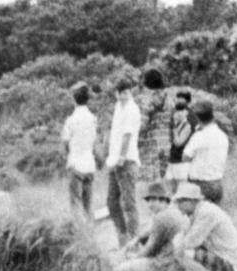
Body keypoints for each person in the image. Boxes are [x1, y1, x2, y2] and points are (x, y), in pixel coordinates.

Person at [110, 180, 188, 271]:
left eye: (154, 200)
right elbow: (150, 230)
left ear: (163, 200)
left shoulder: (161, 218)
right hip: (177, 264)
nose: (150, 204)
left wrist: (131, 257)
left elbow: (150, 250)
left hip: (164, 265)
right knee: (136, 268)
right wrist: (136, 240)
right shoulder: (173, 212)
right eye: (149, 200)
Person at [172, 182, 237, 271]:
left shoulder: (206, 212)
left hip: (228, 262)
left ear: (191, 201)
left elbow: (190, 242)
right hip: (220, 255)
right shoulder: (198, 211)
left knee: (181, 253)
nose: (178, 206)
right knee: (179, 252)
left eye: (181, 202)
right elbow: (184, 234)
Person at [105, 77, 142, 246]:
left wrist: (121, 156)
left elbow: (127, 135)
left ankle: (134, 240)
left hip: (126, 161)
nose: (126, 95)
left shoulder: (131, 109)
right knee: (112, 202)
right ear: (117, 94)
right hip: (114, 162)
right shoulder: (118, 107)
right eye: (122, 93)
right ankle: (123, 237)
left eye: (128, 92)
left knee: (129, 203)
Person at [59, 81, 97, 221]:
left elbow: (64, 147)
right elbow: (94, 143)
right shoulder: (93, 119)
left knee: (75, 203)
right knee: (88, 204)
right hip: (89, 166)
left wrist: (66, 160)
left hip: (75, 165)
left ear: (74, 99)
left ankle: (80, 234)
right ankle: (91, 231)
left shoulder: (71, 120)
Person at [182, 100, 229, 205]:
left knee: (197, 217)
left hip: (200, 184)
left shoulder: (199, 136)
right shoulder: (223, 136)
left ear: (198, 119)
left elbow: (185, 157)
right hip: (217, 183)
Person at [137, 67, 170, 181]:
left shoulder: (146, 101)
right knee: (163, 185)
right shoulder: (169, 100)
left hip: (151, 147)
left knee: (150, 186)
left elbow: (142, 125)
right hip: (167, 145)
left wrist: (137, 144)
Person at [164, 90, 194, 192]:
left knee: (182, 188)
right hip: (174, 158)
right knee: (170, 185)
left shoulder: (191, 118)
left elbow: (178, 142)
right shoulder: (176, 118)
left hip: (183, 159)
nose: (177, 113)